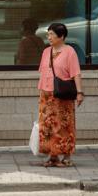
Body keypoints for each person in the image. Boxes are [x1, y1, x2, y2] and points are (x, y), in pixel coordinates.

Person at [37, 23, 84, 167]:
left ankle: (67, 157)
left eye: (52, 34)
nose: (49, 37)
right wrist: (42, 93)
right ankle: (53, 157)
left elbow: (76, 73)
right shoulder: (46, 52)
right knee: (48, 127)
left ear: (61, 36)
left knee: (64, 126)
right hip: (47, 94)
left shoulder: (70, 52)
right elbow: (44, 72)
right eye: (48, 34)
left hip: (62, 94)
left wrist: (80, 92)